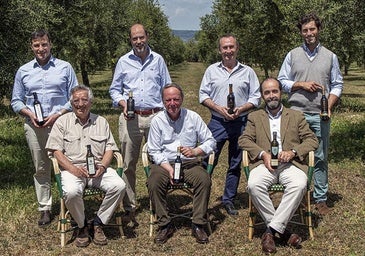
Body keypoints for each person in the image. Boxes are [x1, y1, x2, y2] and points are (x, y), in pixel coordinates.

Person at [239, 78, 319, 254]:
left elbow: (312, 140)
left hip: (290, 164)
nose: (271, 95)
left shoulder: (296, 116)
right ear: (262, 96)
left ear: (281, 92)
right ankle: (283, 232)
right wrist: (263, 154)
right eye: (267, 92)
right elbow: (244, 140)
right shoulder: (255, 116)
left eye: (274, 91)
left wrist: (293, 152)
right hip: (264, 164)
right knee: (253, 185)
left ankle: (270, 231)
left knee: (299, 184)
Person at [11, 29, 78, 227]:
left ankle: (71, 204)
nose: (41, 49)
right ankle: (45, 208)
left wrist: (58, 114)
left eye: (44, 44)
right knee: (41, 168)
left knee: (68, 165)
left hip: (62, 124)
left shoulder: (65, 67)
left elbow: (74, 96)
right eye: (36, 45)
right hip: (35, 127)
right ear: (31, 47)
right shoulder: (23, 71)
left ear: (50, 44)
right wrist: (29, 114)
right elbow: (16, 100)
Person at [278, 13, 343, 216]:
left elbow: (337, 84)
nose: (309, 33)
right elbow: (282, 81)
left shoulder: (330, 56)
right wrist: (300, 84)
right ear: (301, 32)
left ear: (318, 30)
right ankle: (297, 196)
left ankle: (320, 198)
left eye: (312, 29)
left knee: (321, 156)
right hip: (296, 113)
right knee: (294, 155)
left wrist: (329, 105)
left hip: (320, 114)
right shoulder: (292, 55)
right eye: (305, 30)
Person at [45, 85, 126, 247]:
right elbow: (56, 152)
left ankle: (98, 223)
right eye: (76, 101)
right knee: (72, 191)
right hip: (72, 169)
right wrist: (73, 169)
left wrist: (102, 166)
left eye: (84, 100)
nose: (80, 104)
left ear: (91, 102)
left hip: (98, 169)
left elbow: (110, 148)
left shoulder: (101, 121)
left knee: (119, 185)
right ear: (71, 103)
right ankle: (82, 226)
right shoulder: (62, 122)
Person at [109, 23, 171, 218]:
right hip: (131, 118)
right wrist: (122, 102)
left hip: (155, 116)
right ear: (130, 40)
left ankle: (158, 201)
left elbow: (166, 87)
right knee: (129, 162)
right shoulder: (123, 61)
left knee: (158, 161)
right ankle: (130, 205)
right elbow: (114, 89)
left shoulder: (158, 60)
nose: (138, 41)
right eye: (134, 38)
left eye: (141, 37)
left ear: (147, 37)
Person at [199, 34, 261, 215]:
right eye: (225, 48)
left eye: (231, 47)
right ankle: (201, 198)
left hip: (241, 123)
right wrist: (218, 108)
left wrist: (241, 109)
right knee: (208, 160)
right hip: (217, 123)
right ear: (220, 50)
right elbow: (203, 95)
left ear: (237, 48)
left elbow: (256, 97)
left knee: (235, 163)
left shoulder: (248, 71)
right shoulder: (211, 70)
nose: (228, 51)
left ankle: (228, 200)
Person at [147, 83, 216, 244]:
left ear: (182, 99)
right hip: (165, 163)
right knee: (154, 182)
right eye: (168, 100)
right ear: (163, 102)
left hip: (189, 163)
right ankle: (165, 224)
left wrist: (195, 151)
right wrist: (168, 168)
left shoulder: (193, 117)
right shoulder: (157, 121)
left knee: (204, 180)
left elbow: (211, 141)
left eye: (176, 99)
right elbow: (154, 150)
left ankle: (198, 224)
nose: (172, 103)